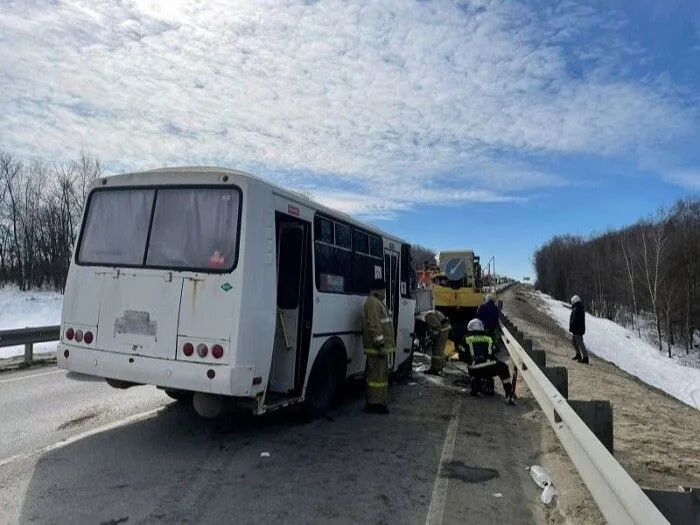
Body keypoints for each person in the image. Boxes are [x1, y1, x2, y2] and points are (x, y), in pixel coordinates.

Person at [457, 318, 515, 405]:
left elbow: (461, 355)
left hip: (475, 369)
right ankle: (508, 393)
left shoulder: (466, 338)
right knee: (504, 368)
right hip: (490, 367)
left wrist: (469, 362)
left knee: (476, 374)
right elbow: (495, 349)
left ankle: (475, 383)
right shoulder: (489, 337)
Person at [362, 278, 395, 414]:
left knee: (380, 378)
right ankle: (374, 404)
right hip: (376, 349)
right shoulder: (372, 303)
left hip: (379, 349)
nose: (385, 293)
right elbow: (374, 326)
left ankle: (379, 402)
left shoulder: (376, 303)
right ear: (379, 290)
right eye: (384, 290)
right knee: (376, 378)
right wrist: (380, 344)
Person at [424, 309, 451, 375]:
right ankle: (439, 366)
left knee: (437, 350)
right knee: (439, 349)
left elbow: (437, 326)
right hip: (444, 328)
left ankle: (435, 369)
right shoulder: (430, 312)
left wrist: (432, 337)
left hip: (442, 330)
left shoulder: (428, 316)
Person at [569, 295, 589, 364]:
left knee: (580, 343)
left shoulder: (578, 307)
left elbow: (576, 319)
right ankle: (578, 355)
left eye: (572, 302)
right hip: (576, 329)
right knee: (573, 341)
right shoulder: (577, 307)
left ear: (575, 301)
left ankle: (585, 358)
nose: (572, 303)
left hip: (578, 329)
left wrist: (572, 326)